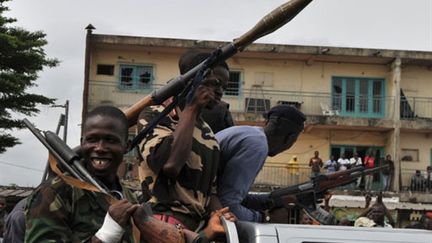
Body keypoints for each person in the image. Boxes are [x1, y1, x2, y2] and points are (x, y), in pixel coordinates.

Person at [25, 106, 231, 242]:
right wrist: (107, 233)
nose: (100, 147)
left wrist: (207, 234)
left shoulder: (129, 198)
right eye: (92, 140)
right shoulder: (55, 193)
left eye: (110, 140)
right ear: (83, 142)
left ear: (126, 146)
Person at [137, 50, 230, 230]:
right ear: (193, 80)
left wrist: (223, 217)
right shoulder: (155, 115)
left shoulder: (208, 134)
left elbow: (210, 192)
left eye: (224, 87)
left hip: (195, 227)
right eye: (215, 84)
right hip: (161, 222)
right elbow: (170, 165)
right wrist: (192, 107)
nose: (219, 92)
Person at [216, 105, 306, 222]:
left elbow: (236, 197)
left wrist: (274, 200)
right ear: (290, 137)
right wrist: (267, 218)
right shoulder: (257, 147)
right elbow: (227, 204)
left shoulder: (249, 133)